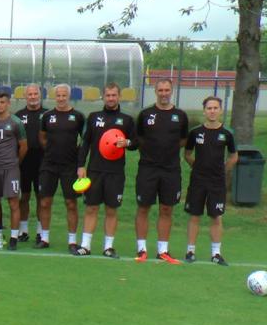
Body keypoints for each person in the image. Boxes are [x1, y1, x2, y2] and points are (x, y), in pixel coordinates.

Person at [75, 82, 138, 258]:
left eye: (114, 95)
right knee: (91, 208)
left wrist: (127, 142)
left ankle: (108, 247)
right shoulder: (94, 117)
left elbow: (136, 143)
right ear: (103, 96)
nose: (111, 98)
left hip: (115, 172)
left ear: (119, 97)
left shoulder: (127, 120)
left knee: (111, 210)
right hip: (95, 171)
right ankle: (85, 246)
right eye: (108, 95)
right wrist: (81, 165)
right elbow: (85, 143)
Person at [134, 79, 190, 263]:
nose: (164, 93)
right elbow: (139, 139)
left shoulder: (180, 115)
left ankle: (163, 250)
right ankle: (141, 249)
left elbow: (183, 140)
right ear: (155, 91)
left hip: (171, 170)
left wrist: (168, 151)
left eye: (167, 90)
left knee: (166, 209)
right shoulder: (145, 114)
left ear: (171, 91)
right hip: (148, 168)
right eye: (160, 90)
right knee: (143, 207)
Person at [184, 96, 238, 266]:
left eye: (215, 108)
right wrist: (197, 167)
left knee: (216, 216)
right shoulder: (195, 132)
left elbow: (234, 156)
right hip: (198, 180)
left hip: (217, 182)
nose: (212, 111)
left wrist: (223, 170)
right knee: (195, 215)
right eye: (209, 108)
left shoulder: (227, 133)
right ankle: (190, 251)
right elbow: (187, 154)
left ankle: (216, 253)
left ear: (220, 110)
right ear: (204, 111)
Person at [37, 84, 85, 251]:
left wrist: (79, 160)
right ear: (54, 96)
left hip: (70, 166)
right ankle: (44, 238)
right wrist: (51, 151)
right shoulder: (47, 116)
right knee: (45, 202)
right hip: (49, 165)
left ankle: (72, 241)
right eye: (58, 95)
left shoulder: (78, 116)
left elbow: (84, 140)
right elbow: (42, 137)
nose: (61, 98)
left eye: (64, 95)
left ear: (69, 96)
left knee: (70, 203)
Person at [0, 91, 27, 250]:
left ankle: (14, 238)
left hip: (11, 168)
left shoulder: (16, 122)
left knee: (13, 202)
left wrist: (15, 162)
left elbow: (24, 146)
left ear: (8, 103)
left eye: (2, 102)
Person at [15, 84, 44, 243]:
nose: (33, 97)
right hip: (24, 162)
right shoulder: (18, 116)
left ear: (40, 95)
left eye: (35, 94)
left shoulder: (47, 114)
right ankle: (23, 230)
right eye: (30, 94)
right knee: (24, 196)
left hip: (42, 162)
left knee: (41, 197)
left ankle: (40, 232)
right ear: (25, 96)